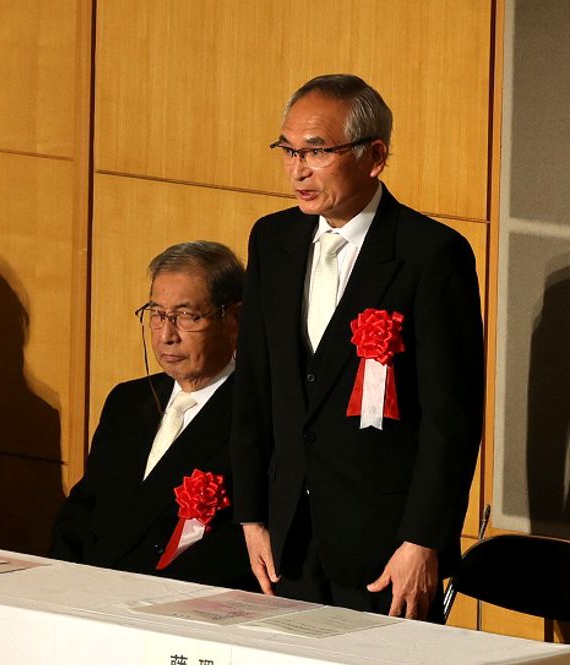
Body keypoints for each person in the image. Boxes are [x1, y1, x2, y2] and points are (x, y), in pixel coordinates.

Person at [232, 74, 484, 619]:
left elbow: (452, 420)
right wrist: (251, 516)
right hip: (286, 544)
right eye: (288, 150)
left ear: (375, 156)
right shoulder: (272, 240)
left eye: (317, 151)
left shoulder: (431, 255)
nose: (298, 170)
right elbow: (254, 386)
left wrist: (423, 541)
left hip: (386, 552)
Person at [52, 242, 254, 589]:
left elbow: (236, 550)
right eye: (157, 314)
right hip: (87, 595)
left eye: (186, 316)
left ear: (233, 319)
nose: (166, 335)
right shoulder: (127, 402)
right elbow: (83, 510)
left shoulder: (256, 414)